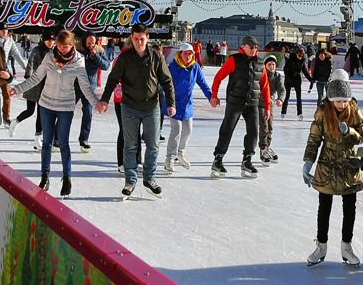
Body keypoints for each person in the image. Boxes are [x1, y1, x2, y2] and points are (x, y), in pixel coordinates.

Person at [14, 30, 100, 198]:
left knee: (63, 142)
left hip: (65, 107)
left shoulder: (78, 60)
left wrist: (96, 103)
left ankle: (67, 177)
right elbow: (35, 78)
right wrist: (17, 88)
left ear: (72, 45)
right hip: (46, 104)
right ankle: (44, 177)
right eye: (59, 46)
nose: (62, 49)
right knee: (46, 142)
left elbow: (84, 86)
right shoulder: (49, 56)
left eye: (65, 46)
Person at [96, 25, 175, 199]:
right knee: (130, 145)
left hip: (151, 107)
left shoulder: (156, 57)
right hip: (130, 107)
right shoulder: (125, 58)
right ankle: (130, 180)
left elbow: (167, 81)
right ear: (132, 38)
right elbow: (112, 80)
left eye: (142, 38)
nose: (139, 42)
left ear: (147, 38)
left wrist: (171, 103)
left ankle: (149, 178)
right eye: (136, 38)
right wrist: (104, 100)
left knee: (153, 145)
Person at [302, 70, 363, 267]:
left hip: (349, 163)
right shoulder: (322, 111)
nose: (342, 104)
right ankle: (321, 246)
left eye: (345, 101)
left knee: (350, 208)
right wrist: (308, 161)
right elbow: (314, 138)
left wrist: (351, 132)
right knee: (324, 207)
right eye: (338, 101)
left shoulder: (354, 110)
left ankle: (346, 247)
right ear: (331, 99)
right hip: (327, 163)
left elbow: (362, 135)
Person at [209, 35, 268, 179]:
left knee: (253, 132)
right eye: (251, 47)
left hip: (252, 103)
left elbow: (265, 87)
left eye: (256, 47)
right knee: (227, 129)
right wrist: (214, 96)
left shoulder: (260, 63)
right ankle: (218, 159)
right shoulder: (234, 60)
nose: (254, 50)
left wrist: (267, 107)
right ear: (244, 47)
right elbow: (218, 77)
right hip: (235, 102)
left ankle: (247, 160)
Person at [163, 42, 214, 173]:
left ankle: (180, 153)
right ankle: (170, 158)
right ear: (180, 54)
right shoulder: (172, 67)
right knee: (176, 130)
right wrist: (170, 103)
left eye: (190, 54)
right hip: (173, 104)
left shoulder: (195, 67)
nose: (188, 56)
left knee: (188, 130)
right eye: (185, 53)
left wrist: (210, 97)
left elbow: (203, 83)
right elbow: (166, 86)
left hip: (187, 105)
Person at [10, 30, 55, 145]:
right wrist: (27, 75)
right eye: (48, 40)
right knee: (30, 111)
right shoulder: (37, 50)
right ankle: (15, 121)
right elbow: (30, 63)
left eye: (52, 40)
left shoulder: (54, 52)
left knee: (41, 113)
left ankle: (37, 138)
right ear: (43, 40)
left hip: (46, 85)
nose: (51, 42)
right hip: (33, 84)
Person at [75, 33, 110, 152]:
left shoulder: (99, 51)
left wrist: (95, 56)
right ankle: (58, 138)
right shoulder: (77, 50)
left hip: (89, 88)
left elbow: (105, 66)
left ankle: (84, 140)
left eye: (92, 43)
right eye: (88, 43)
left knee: (88, 113)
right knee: (66, 112)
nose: (90, 45)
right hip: (75, 86)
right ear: (84, 42)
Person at [258, 55, 284, 165]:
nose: (272, 66)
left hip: (270, 103)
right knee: (264, 126)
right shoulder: (260, 75)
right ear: (265, 65)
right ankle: (263, 149)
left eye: (273, 64)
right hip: (260, 103)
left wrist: (280, 99)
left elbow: (282, 89)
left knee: (270, 127)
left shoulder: (278, 76)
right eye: (269, 64)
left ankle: (267, 147)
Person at [281, 47, 312, 119]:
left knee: (299, 97)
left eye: (301, 56)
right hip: (289, 80)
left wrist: (311, 79)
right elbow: (285, 70)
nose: (300, 57)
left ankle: (300, 113)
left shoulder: (302, 61)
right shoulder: (290, 59)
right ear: (296, 54)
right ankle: (283, 112)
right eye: (299, 56)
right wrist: (289, 77)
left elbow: (305, 71)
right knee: (287, 96)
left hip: (297, 80)